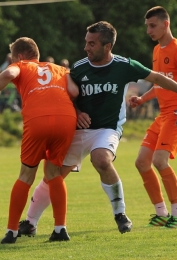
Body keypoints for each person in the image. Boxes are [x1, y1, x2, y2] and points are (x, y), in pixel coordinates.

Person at [18, 21, 177, 237]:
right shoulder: (79, 67)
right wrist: (77, 112)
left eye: (92, 43)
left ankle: (120, 214)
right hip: (78, 129)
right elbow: (65, 94)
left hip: (107, 129)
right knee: (54, 175)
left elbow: (157, 78)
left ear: (107, 46)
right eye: (86, 42)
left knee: (101, 159)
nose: (86, 47)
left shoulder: (124, 65)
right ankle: (29, 222)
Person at [0, 37, 79, 243]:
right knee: (54, 173)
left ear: (20, 56)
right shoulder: (59, 68)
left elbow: (8, 73)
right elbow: (74, 91)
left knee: (26, 175)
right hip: (67, 120)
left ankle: (12, 232)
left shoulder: (21, 65)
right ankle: (60, 229)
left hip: (38, 120)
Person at [129, 6, 177, 228]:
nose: (148, 30)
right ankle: (162, 213)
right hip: (162, 115)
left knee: (159, 160)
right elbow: (160, 84)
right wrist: (142, 100)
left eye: (152, 25)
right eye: (147, 26)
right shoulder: (157, 50)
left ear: (165, 24)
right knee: (141, 162)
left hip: (175, 114)